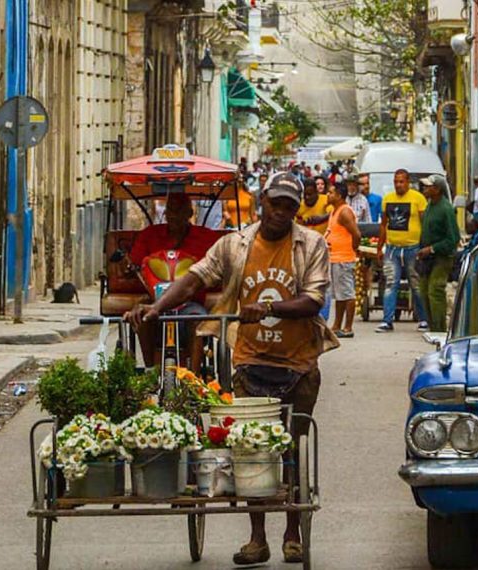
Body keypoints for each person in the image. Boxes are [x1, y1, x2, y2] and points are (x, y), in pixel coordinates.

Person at [126, 172, 337, 566]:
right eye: (276, 203)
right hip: (249, 360)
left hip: (300, 363)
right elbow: (193, 280)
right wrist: (155, 309)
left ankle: (293, 532)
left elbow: (313, 300)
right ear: (262, 202)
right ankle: (257, 538)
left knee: (291, 448)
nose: (282, 212)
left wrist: (270, 308)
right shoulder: (234, 245)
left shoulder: (312, 244)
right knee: (250, 450)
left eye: (290, 206)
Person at [128, 193, 221, 367]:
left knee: (198, 318)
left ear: (190, 213)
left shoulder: (207, 237)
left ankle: (194, 376)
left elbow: (220, 263)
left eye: (180, 211)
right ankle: (150, 369)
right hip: (154, 299)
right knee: (141, 315)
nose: (174, 216)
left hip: (191, 301)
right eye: (170, 210)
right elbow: (135, 262)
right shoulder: (150, 235)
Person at [376, 169, 430, 332]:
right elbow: (383, 224)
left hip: (413, 248)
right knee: (391, 283)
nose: (398, 185)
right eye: (396, 182)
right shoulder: (387, 199)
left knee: (416, 284)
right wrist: (379, 247)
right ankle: (387, 320)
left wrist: (424, 245)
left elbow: (425, 223)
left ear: (408, 182)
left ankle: (423, 319)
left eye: (401, 181)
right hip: (392, 248)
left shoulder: (418, 199)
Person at [416, 175, 460, 332]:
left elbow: (453, 238)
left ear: (437, 189)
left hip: (442, 257)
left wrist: (432, 248)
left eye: (429, 186)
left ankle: (439, 329)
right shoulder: (430, 206)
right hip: (427, 257)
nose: (425, 189)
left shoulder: (446, 209)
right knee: (424, 290)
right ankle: (431, 324)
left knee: (435, 290)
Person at [326, 183, 361, 338]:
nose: (328, 195)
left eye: (331, 192)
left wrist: (352, 250)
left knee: (347, 293)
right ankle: (336, 325)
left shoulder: (345, 212)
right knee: (339, 294)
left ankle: (348, 327)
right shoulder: (334, 211)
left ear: (339, 195)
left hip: (343, 258)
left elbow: (357, 235)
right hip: (335, 258)